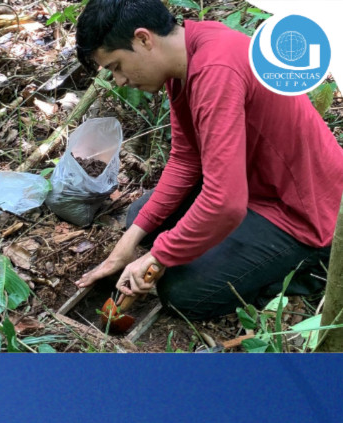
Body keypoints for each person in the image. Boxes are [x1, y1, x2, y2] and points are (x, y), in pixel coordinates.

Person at [73, 0, 343, 320]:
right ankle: (223, 248)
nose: (118, 80)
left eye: (117, 66)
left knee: (183, 294)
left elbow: (225, 202)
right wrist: (128, 245)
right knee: (141, 219)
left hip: (303, 212)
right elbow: (187, 161)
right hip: (252, 183)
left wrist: (159, 257)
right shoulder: (187, 56)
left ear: (144, 39)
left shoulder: (216, 72)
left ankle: (307, 268)